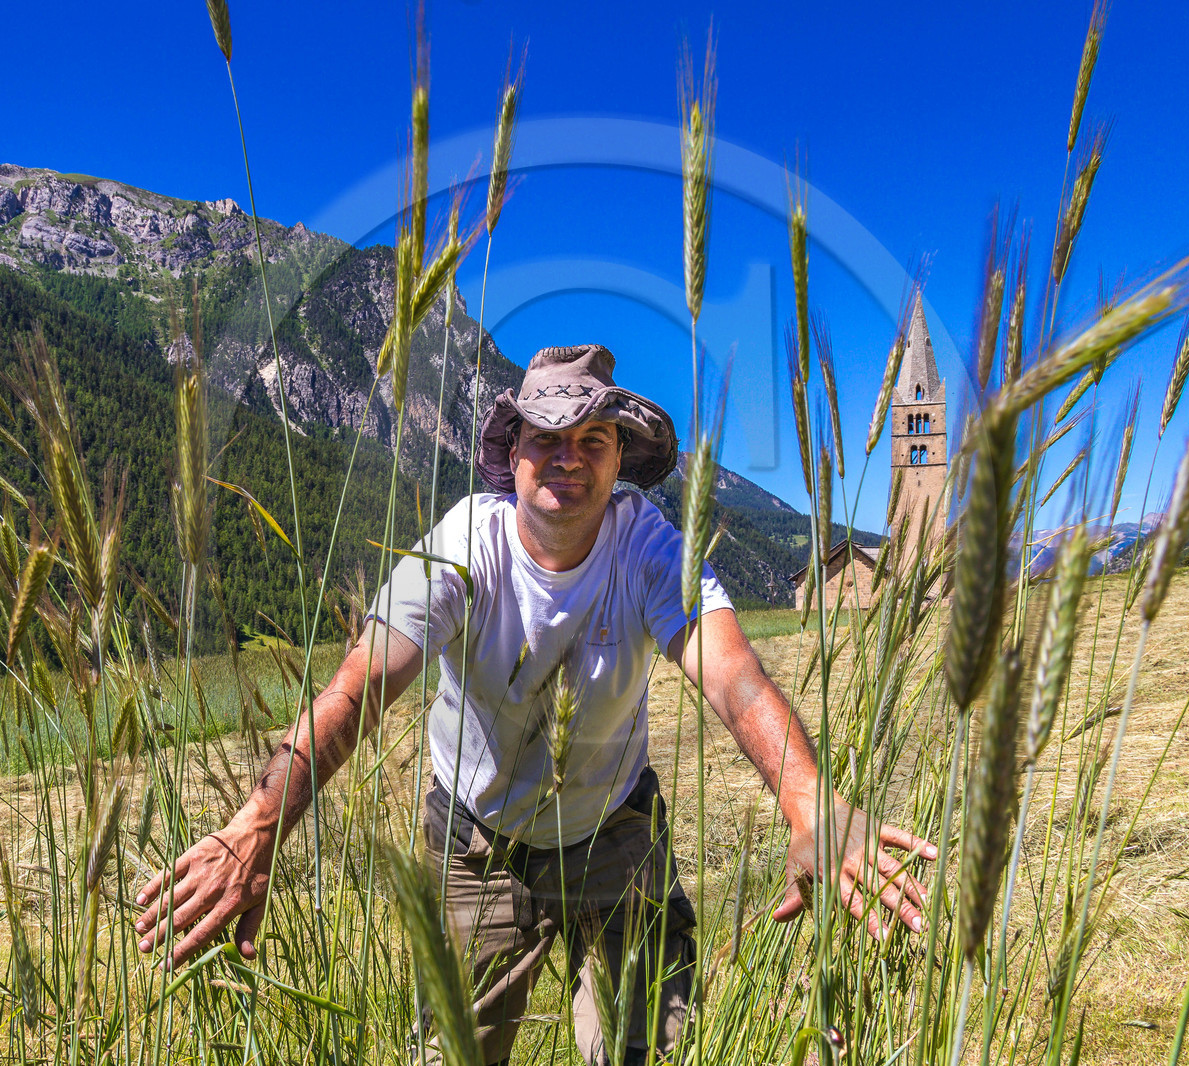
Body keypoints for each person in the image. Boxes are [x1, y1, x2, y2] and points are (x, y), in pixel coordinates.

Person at [134, 344, 937, 1065]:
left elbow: (733, 675)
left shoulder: (651, 547)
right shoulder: (461, 547)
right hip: (475, 842)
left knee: (651, 1047)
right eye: (546, 437)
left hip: (615, 830)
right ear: (512, 453)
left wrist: (809, 803)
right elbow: (359, 687)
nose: (568, 456)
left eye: (593, 439)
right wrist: (259, 824)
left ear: (619, 461)